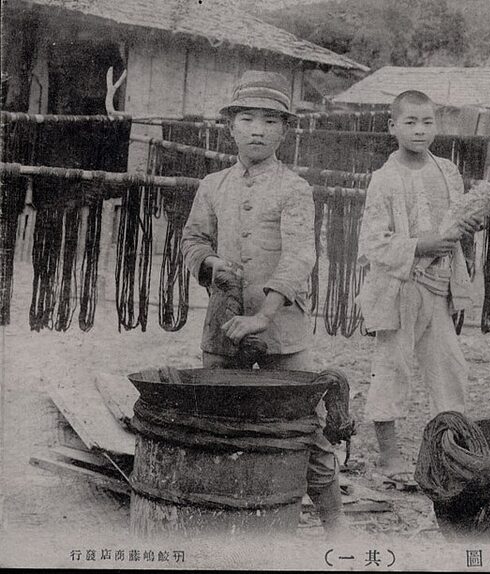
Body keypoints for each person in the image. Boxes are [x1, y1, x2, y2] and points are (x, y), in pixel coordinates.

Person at [181, 70, 345, 533]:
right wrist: (210, 263)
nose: (258, 130)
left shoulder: (294, 188)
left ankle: (336, 528)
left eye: (270, 121)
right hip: (224, 324)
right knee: (214, 420)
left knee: (306, 427)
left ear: (285, 131)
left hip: (282, 328)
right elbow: (192, 239)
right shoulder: (213, 184)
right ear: (230, 126)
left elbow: (300, 256)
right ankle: (217, 519)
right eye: (247, 119)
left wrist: (264, 316)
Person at [356, 90, 479, 485]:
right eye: (410, 122)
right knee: (393, 366)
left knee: (450, 367)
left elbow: (455, 222)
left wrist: (470, 224)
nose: (419, 130)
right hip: (401, 286)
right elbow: (373, 243)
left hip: (440, 286)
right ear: (392, 126)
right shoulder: (384, 179)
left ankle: (449, 453)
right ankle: (389, 455)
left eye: (427, 122)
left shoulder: (448, 171)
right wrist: (419, 246)